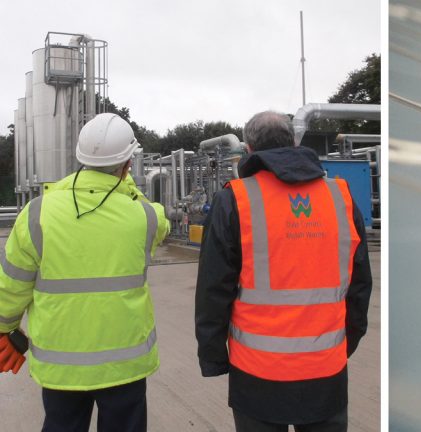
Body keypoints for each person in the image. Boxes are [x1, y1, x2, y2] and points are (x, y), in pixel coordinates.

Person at [195, 111, 372, 432]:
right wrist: (347, 342)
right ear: (293, 142)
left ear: (249, 149)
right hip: (325, 370)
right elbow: (360, 285)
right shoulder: (340, 197)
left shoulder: (234, 199)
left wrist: (213, 355)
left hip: (256, 372)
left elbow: (213, 290)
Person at [0, 113, 169, 432]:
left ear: (80, 158)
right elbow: (161, 221)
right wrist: (126, 185)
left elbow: (12, 283)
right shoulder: (144, 216)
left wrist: (4, 326)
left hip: (62, 366)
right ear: (128, 163)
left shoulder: (37, 212)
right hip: (125, 366)